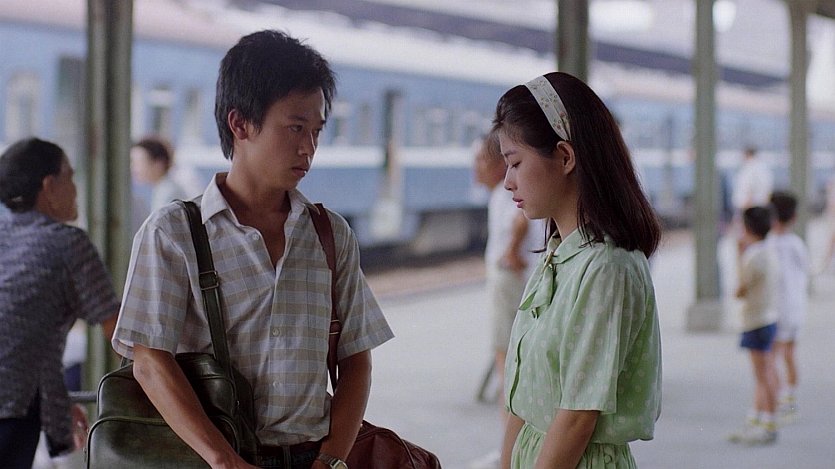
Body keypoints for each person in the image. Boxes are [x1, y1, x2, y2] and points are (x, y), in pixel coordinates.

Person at [112, 30, 394, 469]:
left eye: (317, 131)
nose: (309, 148)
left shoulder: (329, 234)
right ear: (240, 124)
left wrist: (332, 459)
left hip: (311, 457)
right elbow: (149, 361)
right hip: (209, 459)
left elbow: (356, 359)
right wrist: (224, 460)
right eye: (295, 128)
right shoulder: (174, 233)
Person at [493, 72, 662, 468]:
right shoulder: (558, 256)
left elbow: (577, 419)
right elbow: (523, 404)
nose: (507, 182)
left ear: (565, 157)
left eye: (515, 163)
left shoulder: (607, 268)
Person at [0, 137, 119, 468]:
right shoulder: (67, 244)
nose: (75, 189)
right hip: (11, 405)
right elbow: (119, 331)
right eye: (70, 176)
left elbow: (21, 332)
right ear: (49, 186)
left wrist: (57, 401)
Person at [470, 132, 541, 469]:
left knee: (506, 367)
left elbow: (519, 222)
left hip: (508, 281)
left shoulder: (504, 194)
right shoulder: (506, 193)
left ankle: (509, 453)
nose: (476, 169)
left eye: (481, 161)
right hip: (516, 282)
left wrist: (511, 252)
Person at [727, 206, 779, 446]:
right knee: (764, 372)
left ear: (747, 228)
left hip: (755, 321)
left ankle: (768, 423)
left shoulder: (752, 256)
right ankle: (757, 420)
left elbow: (739, 290)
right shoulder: (769, 250)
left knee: (763, 374)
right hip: (768, 318)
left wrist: (739, 255)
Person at [767, 191, 809, 424]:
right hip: (796, 308)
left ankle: (776, 403)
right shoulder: (797, 244)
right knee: (791, 354)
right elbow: (804, 271)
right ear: (794, 217)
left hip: (776, 309)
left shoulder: (769, 244)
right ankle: (790, 398)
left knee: (772, 357)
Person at [130, 136, 191, 211]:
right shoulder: (162, 189)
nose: (133, 168)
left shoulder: (168, 193)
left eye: (139, 163)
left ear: (158, 164)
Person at [731, 146, 773, 221]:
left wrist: (747, 204)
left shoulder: (752, 168)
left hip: (749, 206)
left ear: (747, 154)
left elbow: (750, 187)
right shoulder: (761, 167)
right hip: (753, 206)